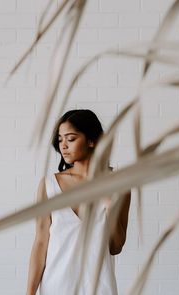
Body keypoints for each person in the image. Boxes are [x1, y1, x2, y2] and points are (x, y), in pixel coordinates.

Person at [26, 109, 131, 295]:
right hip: (55, 287)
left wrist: (109, 204)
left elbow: (116, 247)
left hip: (101, 288)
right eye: (60, 139)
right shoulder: (49, 186)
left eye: (71, 139)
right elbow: (41, 244)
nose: (63, 146)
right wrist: (30, 292)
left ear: (91, 140)